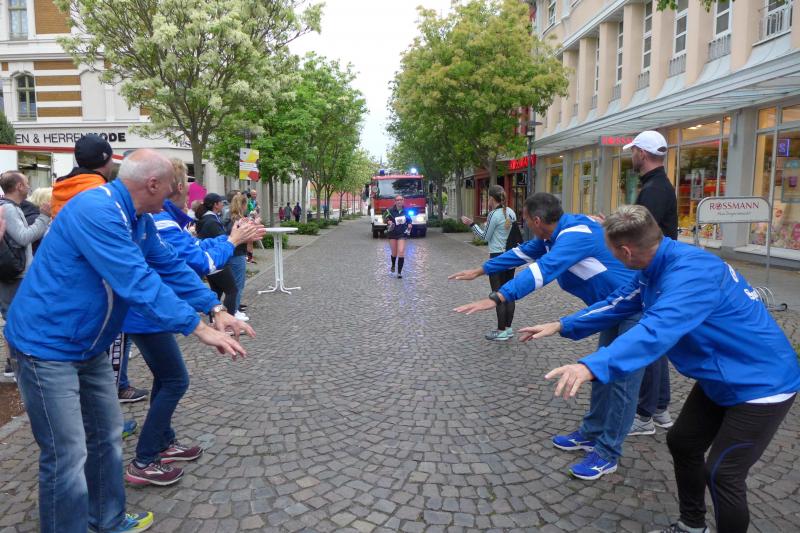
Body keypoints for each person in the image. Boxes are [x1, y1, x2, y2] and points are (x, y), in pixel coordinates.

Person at [5, 149, 252, 533]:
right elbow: (137, 280)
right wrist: (199, 328)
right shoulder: (97, 211)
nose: (176, 194)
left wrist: (214, 308)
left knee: (106, 437)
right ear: (152, 185)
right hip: (46, 346)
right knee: (67, 453)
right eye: (172, 187)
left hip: (88, 345)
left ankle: (107, 519)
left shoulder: (140, 219)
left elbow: (170, 266)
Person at [525, 205, 800, 533]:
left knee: (723, 474)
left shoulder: (691, 275)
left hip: (762, 383)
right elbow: (619, 303)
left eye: (609, 250)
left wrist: (591, 366)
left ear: (626, 252)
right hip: (721, 375)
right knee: (683, 442)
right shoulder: (656, 263)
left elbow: (654, 331)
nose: (608, 256)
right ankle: (691, 526)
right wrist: (561, 325)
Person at [451, 193, 643, 480]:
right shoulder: (554, 234)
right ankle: (591, 433)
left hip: (634, 306)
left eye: (526, 219)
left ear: (537, 221)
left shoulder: (573, 236)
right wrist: (480, 270)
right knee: (602, 372)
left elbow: (541, 271)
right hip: (611, 309)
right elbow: (521, 253)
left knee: (622, 382)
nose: (525, 224)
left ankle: (607, 453)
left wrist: (498, 297)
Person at [121, 159, 264, 487]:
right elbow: (197, 262)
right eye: (185, 182)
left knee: (166, 379)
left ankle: (162, 442)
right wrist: (232, 241)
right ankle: (144, 459)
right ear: (160, 186)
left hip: (151, 312)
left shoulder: (150, 220)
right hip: (142, 316)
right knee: (175, 381)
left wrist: (214, 308)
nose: (190, 190)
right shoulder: (150, 218)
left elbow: (178, 264)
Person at [626, 130, 678, 435]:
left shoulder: (654, 189)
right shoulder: (658, 184)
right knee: (656, 339)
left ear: (642, 154)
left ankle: (645, 414)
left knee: (649, 339)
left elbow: (643, 235)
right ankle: (659, 408)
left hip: (655, 272)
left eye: (633, 151)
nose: (631, 155)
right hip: (659, 271)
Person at [0, 172, 51, 381]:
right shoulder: (9, 209)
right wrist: (44, 217)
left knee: (19, 317)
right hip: (15, 275)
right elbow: (23, 237)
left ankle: (18, 364)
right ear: (19, 186)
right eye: (27, 183)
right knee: (15, 318)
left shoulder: (12, 207)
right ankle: (17, 366)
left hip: (16, 273)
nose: (29, 186)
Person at [461, 185, 517, 341]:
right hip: (511, 257)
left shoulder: (494, 214)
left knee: (498, 294)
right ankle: (508, 329)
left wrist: (471, 224)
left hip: (497, 258)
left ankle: (500, 331)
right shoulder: (511, 212)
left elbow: (484, 237)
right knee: (509, 293)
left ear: (491, 198)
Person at [195, 193, 239, 315]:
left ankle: (215, 320)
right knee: (232, 291)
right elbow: (222, 239)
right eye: (221, 202)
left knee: (216, 293)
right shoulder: (211, 221)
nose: (222, 205)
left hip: (210, 261)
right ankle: (229, 320)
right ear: (215, 205)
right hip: (217, 262)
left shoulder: (206, 218)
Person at [51, 134, 115, 218]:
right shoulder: (104, 194)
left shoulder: (59, 190)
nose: (113, 162)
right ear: (105, 160)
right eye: (111, 158)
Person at [226, 193, 250, 320]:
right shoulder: (239, 220)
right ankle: (234, 311)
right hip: (237, 254)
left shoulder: (230, 217)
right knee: (238, 284)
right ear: (243, 205)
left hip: (232, 253)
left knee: (234, 284)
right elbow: (243, 237)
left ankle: (234, 310)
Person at [384, 195, 412, 278]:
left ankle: (399, 272)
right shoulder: (390, 210)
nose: (399, 201)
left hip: (402, 233)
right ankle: (393, 265)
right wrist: (388, 221)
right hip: (392, 233)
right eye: (397, 200)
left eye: (401, 200)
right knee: (394, 253)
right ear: (395, 201)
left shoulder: (406, 211)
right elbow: (384, 217)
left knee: (401, 251)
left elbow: (409, 219)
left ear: (403, 201)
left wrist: (410, 224)